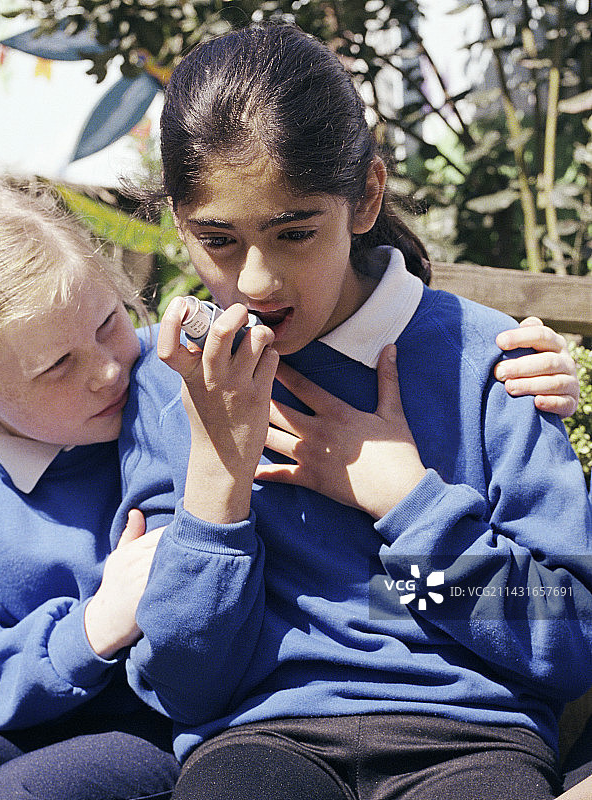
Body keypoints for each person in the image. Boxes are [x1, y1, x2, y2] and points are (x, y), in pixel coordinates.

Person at [117, 22, 592, 800]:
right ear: (178, 224)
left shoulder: (495, 364)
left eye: (294, 231)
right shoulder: (169, 379)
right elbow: (181, 686)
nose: (258, 279)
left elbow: (567, 642)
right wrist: (216, 482)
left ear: (365, 197)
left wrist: (408, 504)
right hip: (259, 737)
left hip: (473, 738)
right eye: (219, 240)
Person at [0, 180, 179, 800]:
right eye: (58, 366)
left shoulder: (168, 385)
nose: (108, 369)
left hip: (163, 721)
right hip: (27, 714)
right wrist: (91, 628)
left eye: (110, 323)